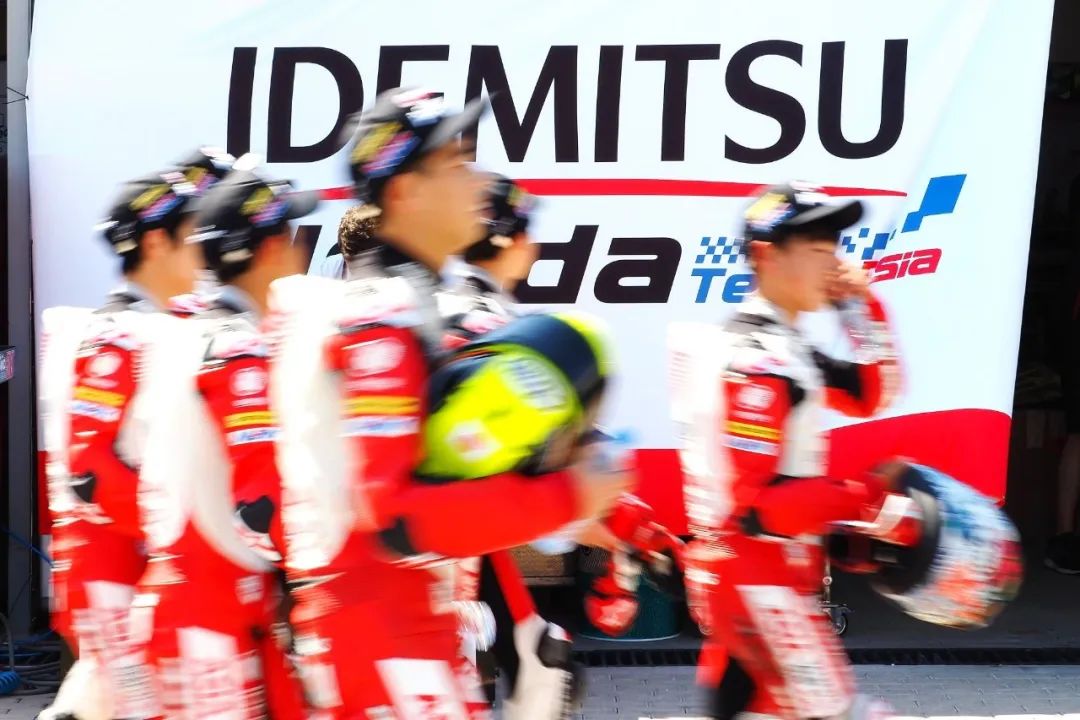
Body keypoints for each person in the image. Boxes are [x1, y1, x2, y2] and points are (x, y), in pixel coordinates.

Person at [267, 87, 630, 719]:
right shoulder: (380, 316)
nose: (480, 180)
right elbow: (394, 516)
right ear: (404, 190)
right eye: (458, 164)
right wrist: (568, 495)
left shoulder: (414, 303)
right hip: (378, 635)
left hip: (415, 626)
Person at [671, 182, 905, 720]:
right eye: (818, 249)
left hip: (772, 584)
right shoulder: (754, 356)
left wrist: (859, 307)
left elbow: (873, 393)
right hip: (755, 582)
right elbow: (758, 506)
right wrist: (872, 499)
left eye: (835, 248)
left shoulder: (786, 346)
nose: (834, 262)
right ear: (767, 255)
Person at [42, 150, 231, 720]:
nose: (206, 249)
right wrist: (190, 524)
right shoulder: (117, 335)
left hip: (155, 570)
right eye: (194, 233)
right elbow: (89, 472)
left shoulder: (177, 324)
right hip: (113, 576)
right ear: (155, 243)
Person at [134, 158, 319, 719]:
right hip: (210, 619)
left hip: (203, 604)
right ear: (271, 249)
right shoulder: (239, 350)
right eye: (292, 236)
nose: (299, 253)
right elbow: (262, 504)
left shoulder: (184, 335)